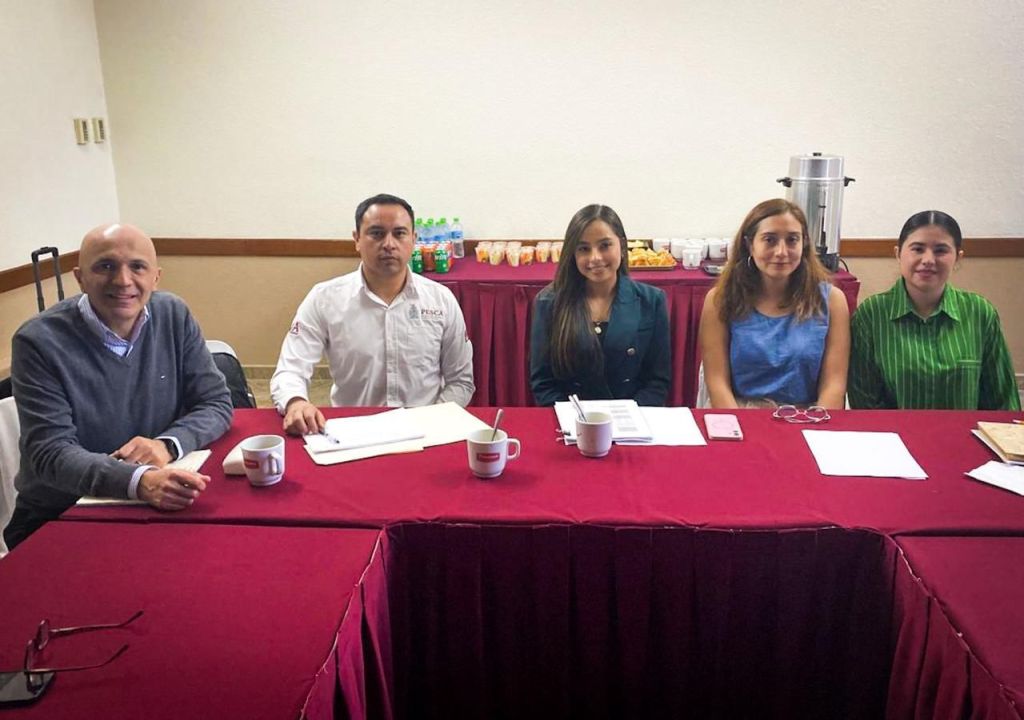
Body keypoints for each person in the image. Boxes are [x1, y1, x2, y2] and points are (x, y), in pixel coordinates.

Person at [4, 224, 233, 550]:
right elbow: (50, 452)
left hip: (156, 500)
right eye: (105, 266)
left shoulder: (173, 314)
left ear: (156, 277)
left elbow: (216, 402)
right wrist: (139, 481)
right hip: (59, 514)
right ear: (80, 277)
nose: (123, 280)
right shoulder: (38, 342)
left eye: (137, 267)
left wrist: (167, 445)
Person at [271, 193, 475, 435]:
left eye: (399, 233)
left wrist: (430, 422)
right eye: (376, 233)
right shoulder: (324, 299)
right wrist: (296, 402)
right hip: (352, 432)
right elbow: (291, 369)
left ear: (414, 239)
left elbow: (461, 381)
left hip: (425, 430)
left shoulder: (440, 300)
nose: (389, 244)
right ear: (357, 239)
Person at [849, 210, 1019, 410]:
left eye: (940, 250)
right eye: (918, 249)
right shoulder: (871, 315)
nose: (928, 259)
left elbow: (1003, 400)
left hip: (965, 431)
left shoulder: (980, 313)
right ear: (898, 254)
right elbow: (865, 403)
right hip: (891, 431)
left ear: (958, 258)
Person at [699, 199, 850, 408]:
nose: (781, 252)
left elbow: (834, 386)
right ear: (750, 245)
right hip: (740, 413)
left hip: (809, 415)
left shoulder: (832, 301)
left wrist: (815, 424)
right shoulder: (721, 300)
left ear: (805, 243)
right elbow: (717, 383)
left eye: (792, 240)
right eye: (769, 240)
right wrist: (739, 425)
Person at [530, 204, 671, 406]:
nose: (595, 257)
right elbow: (543, 384)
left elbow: (657, 382)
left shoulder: (652, 301)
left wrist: (629, 416)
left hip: (633, 418)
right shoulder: (549, 302)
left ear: (622, 246)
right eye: (584, 249)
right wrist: (576, 418)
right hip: (571, 418)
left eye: (605, 246)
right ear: (572, 254)